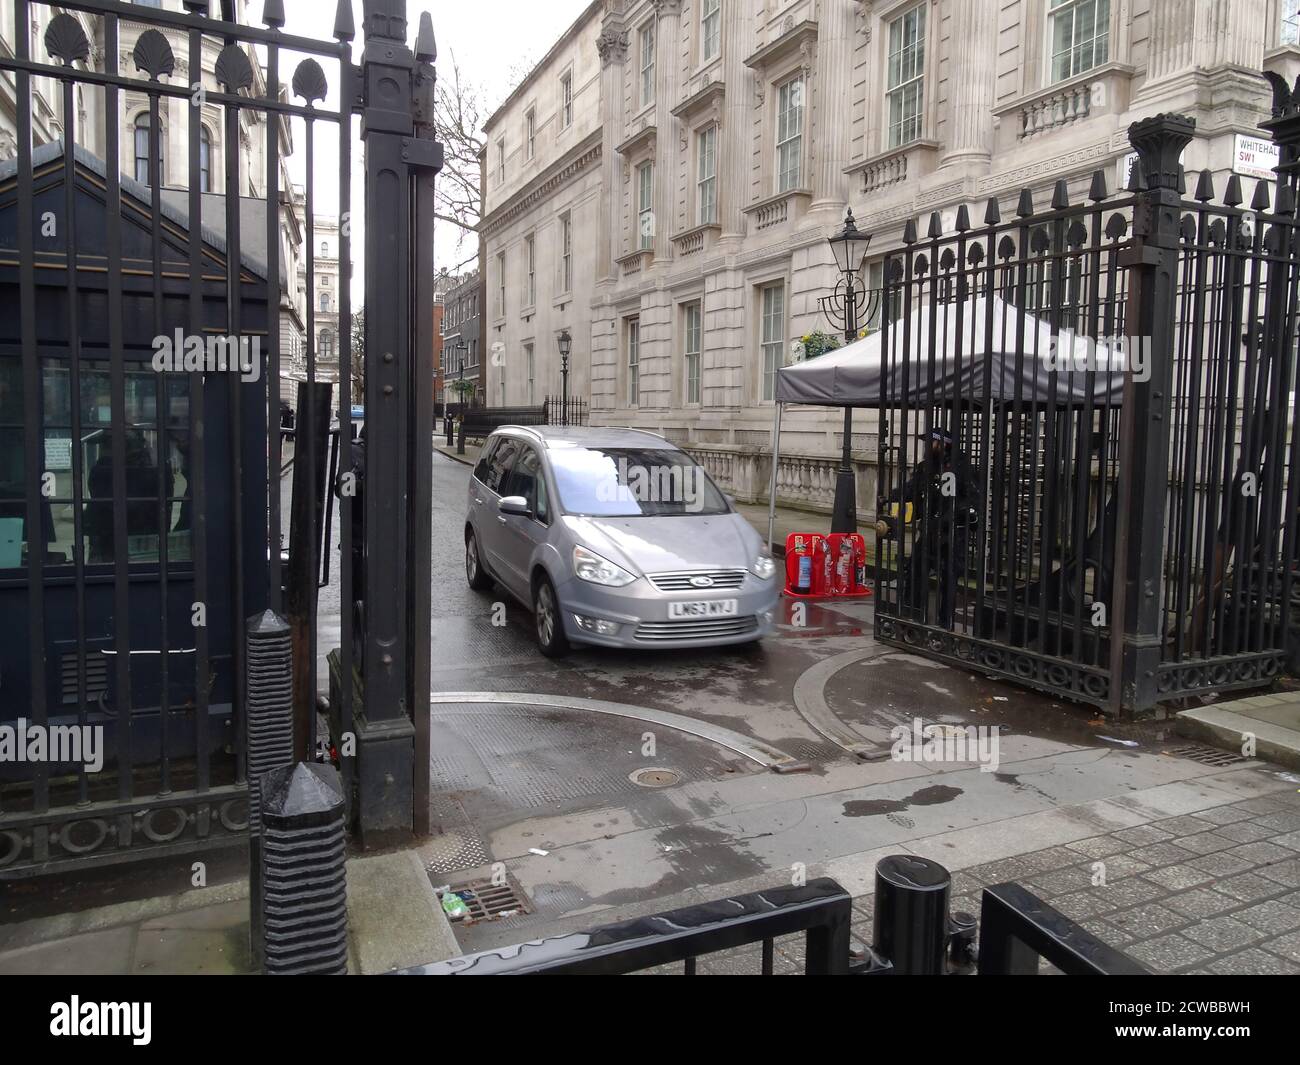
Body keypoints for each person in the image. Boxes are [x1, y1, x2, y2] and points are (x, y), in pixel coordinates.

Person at [879, 426, 979, 627]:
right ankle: (914, 614)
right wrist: (891, 498)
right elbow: (911, 489)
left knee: (949, 578)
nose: (927, 446)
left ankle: (945, 623)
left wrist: (962, 514)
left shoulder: (962, 467)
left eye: (931, 442)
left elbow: (972, 499)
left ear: (944, 444)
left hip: (953, 533)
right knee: (916, 570)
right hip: (929, 531)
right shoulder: (926, 467)